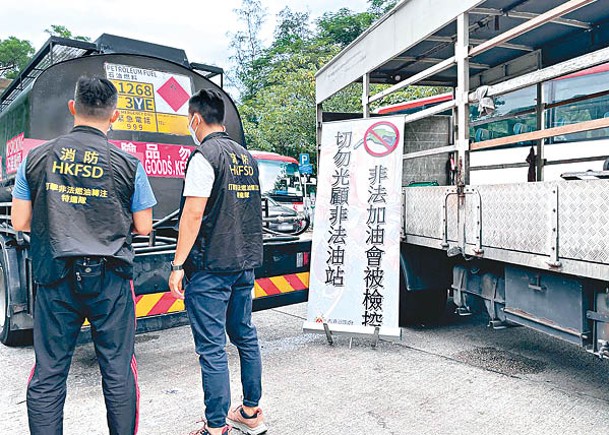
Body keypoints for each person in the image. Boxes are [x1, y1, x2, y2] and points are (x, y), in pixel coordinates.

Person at [12, 76, 157, 435]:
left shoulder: (36, 157)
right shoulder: (129, 164)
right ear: (115, 115)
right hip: (111, 281)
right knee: (118, 370)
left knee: (49, 372)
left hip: (55, 277)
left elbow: (20, 220)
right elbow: (143, 226)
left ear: (73, 108)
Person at [168, 89, 266, 435]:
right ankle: (251, 413)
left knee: (211, 348)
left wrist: (178, 265)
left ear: (195, 118)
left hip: (211, 267)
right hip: (244, 262)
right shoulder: (246, 157)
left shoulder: (204, 156)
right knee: (244, 335)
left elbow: (193, 214)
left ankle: (214, 427)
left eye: (188, 120)